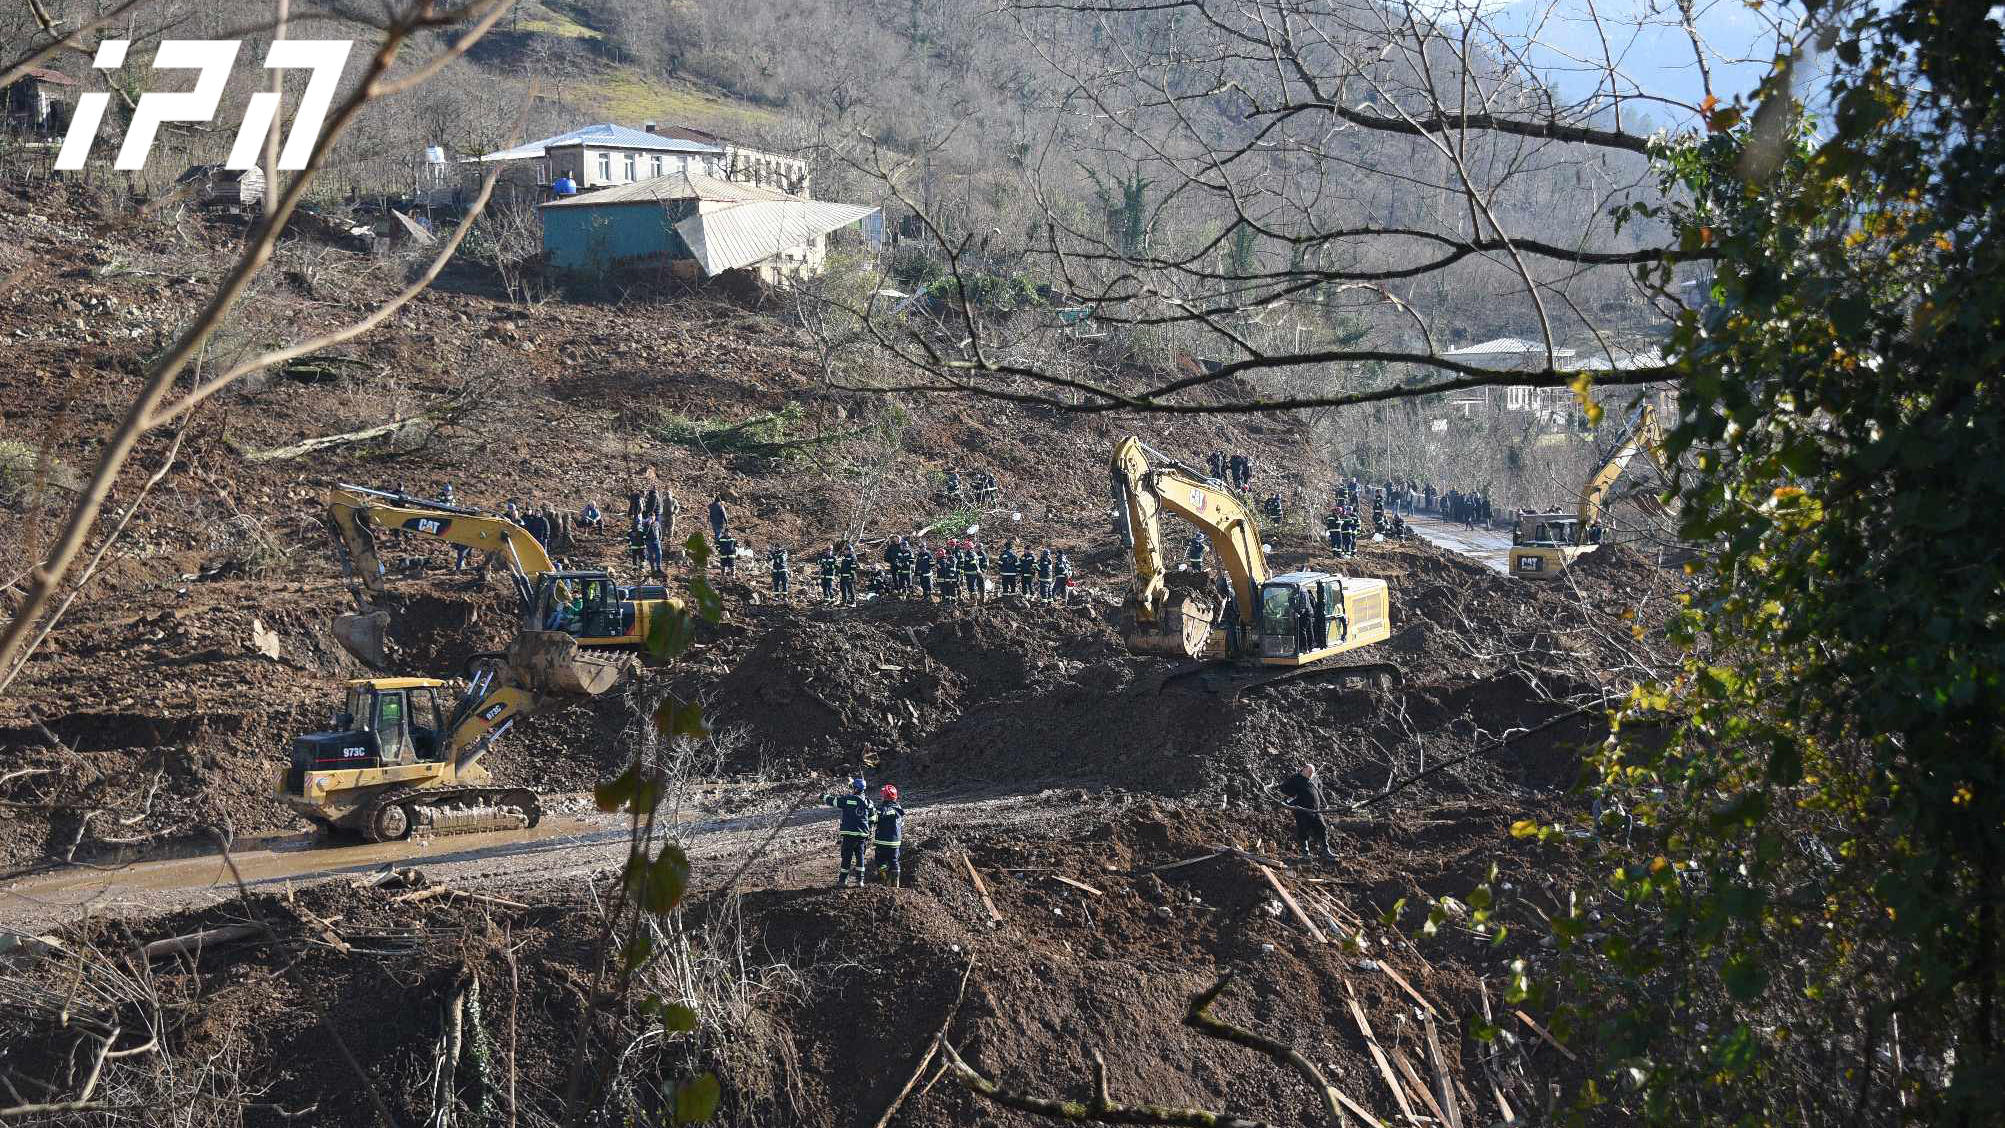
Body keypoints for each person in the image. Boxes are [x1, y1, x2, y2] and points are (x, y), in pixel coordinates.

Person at [821, 778, 874, 887]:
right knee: (860, 858)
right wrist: (871, 829)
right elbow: (873, 817)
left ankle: (842, 881)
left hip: (849, 835)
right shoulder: (869, 802)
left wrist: (823, 796)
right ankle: (860, 881)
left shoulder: (848, 799)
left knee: (846, 858)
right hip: (862, 835)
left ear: (855, 788)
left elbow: (834, 801)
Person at [1279, 764, 1337, 862]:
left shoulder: (1314, 778)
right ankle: (1305, 854)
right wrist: (1293, 795)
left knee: (1322, 827)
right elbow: (1284, 788)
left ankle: (1325, 851)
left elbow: (1319, 787)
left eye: (1312, 772)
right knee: (1303, 829)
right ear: (1303, 769)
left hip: (1315, 809)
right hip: (1302, 809)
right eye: (1309, 771)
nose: (1310, 773)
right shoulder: (1296, 778)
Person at [869, 784, 905, 886]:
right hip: (896, 843)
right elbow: (901, 823)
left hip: (883, 842)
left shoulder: (883, 809)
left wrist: (870, 809)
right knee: (894, 861)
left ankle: (885, 880)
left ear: (885, 797)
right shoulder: (899, 809)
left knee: (880, 861)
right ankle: (895, 883)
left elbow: (875, 818)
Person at [643, 515, 665, 580]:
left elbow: (660, 531)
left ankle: (659, 568)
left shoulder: (657, 523)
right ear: (648, 518)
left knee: (659, 554)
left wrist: (660, 539)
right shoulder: (646, 524)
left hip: (656, 541)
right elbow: (645, 532)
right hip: (649, 542)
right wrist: (648, 524)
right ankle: (653, 568)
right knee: (650, 555)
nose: (652, 518)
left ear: (654, 517)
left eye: (653, 517)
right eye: (650, 517)